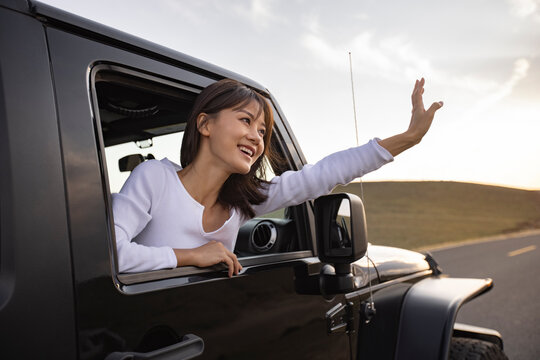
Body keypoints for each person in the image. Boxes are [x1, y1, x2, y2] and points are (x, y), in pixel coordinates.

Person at [112, 78, 443, 276]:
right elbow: (110, 255)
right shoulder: (154, 177)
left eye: (262, 130)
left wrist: (409, 138)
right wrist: (192, 256)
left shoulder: (242, 203)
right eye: (245, 121)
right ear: (205, 125)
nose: (257, 137)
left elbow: (323, 174)